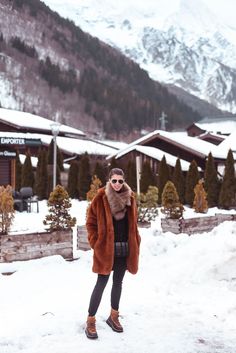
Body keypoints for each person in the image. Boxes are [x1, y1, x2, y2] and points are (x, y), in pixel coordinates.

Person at [85, 167, 141, 339]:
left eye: (120, 181)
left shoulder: (130, 197)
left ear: (124, 181)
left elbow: (133, 223)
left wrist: (136, 240)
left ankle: (113, 316)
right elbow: (90, 223)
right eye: (114, 180)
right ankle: (91, 320)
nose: (117, 184)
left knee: (118, 283)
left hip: (124, 249)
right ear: (109, 180)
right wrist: (96, 242)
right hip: (106, 250)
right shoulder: (100, 198)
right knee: (101, 284)